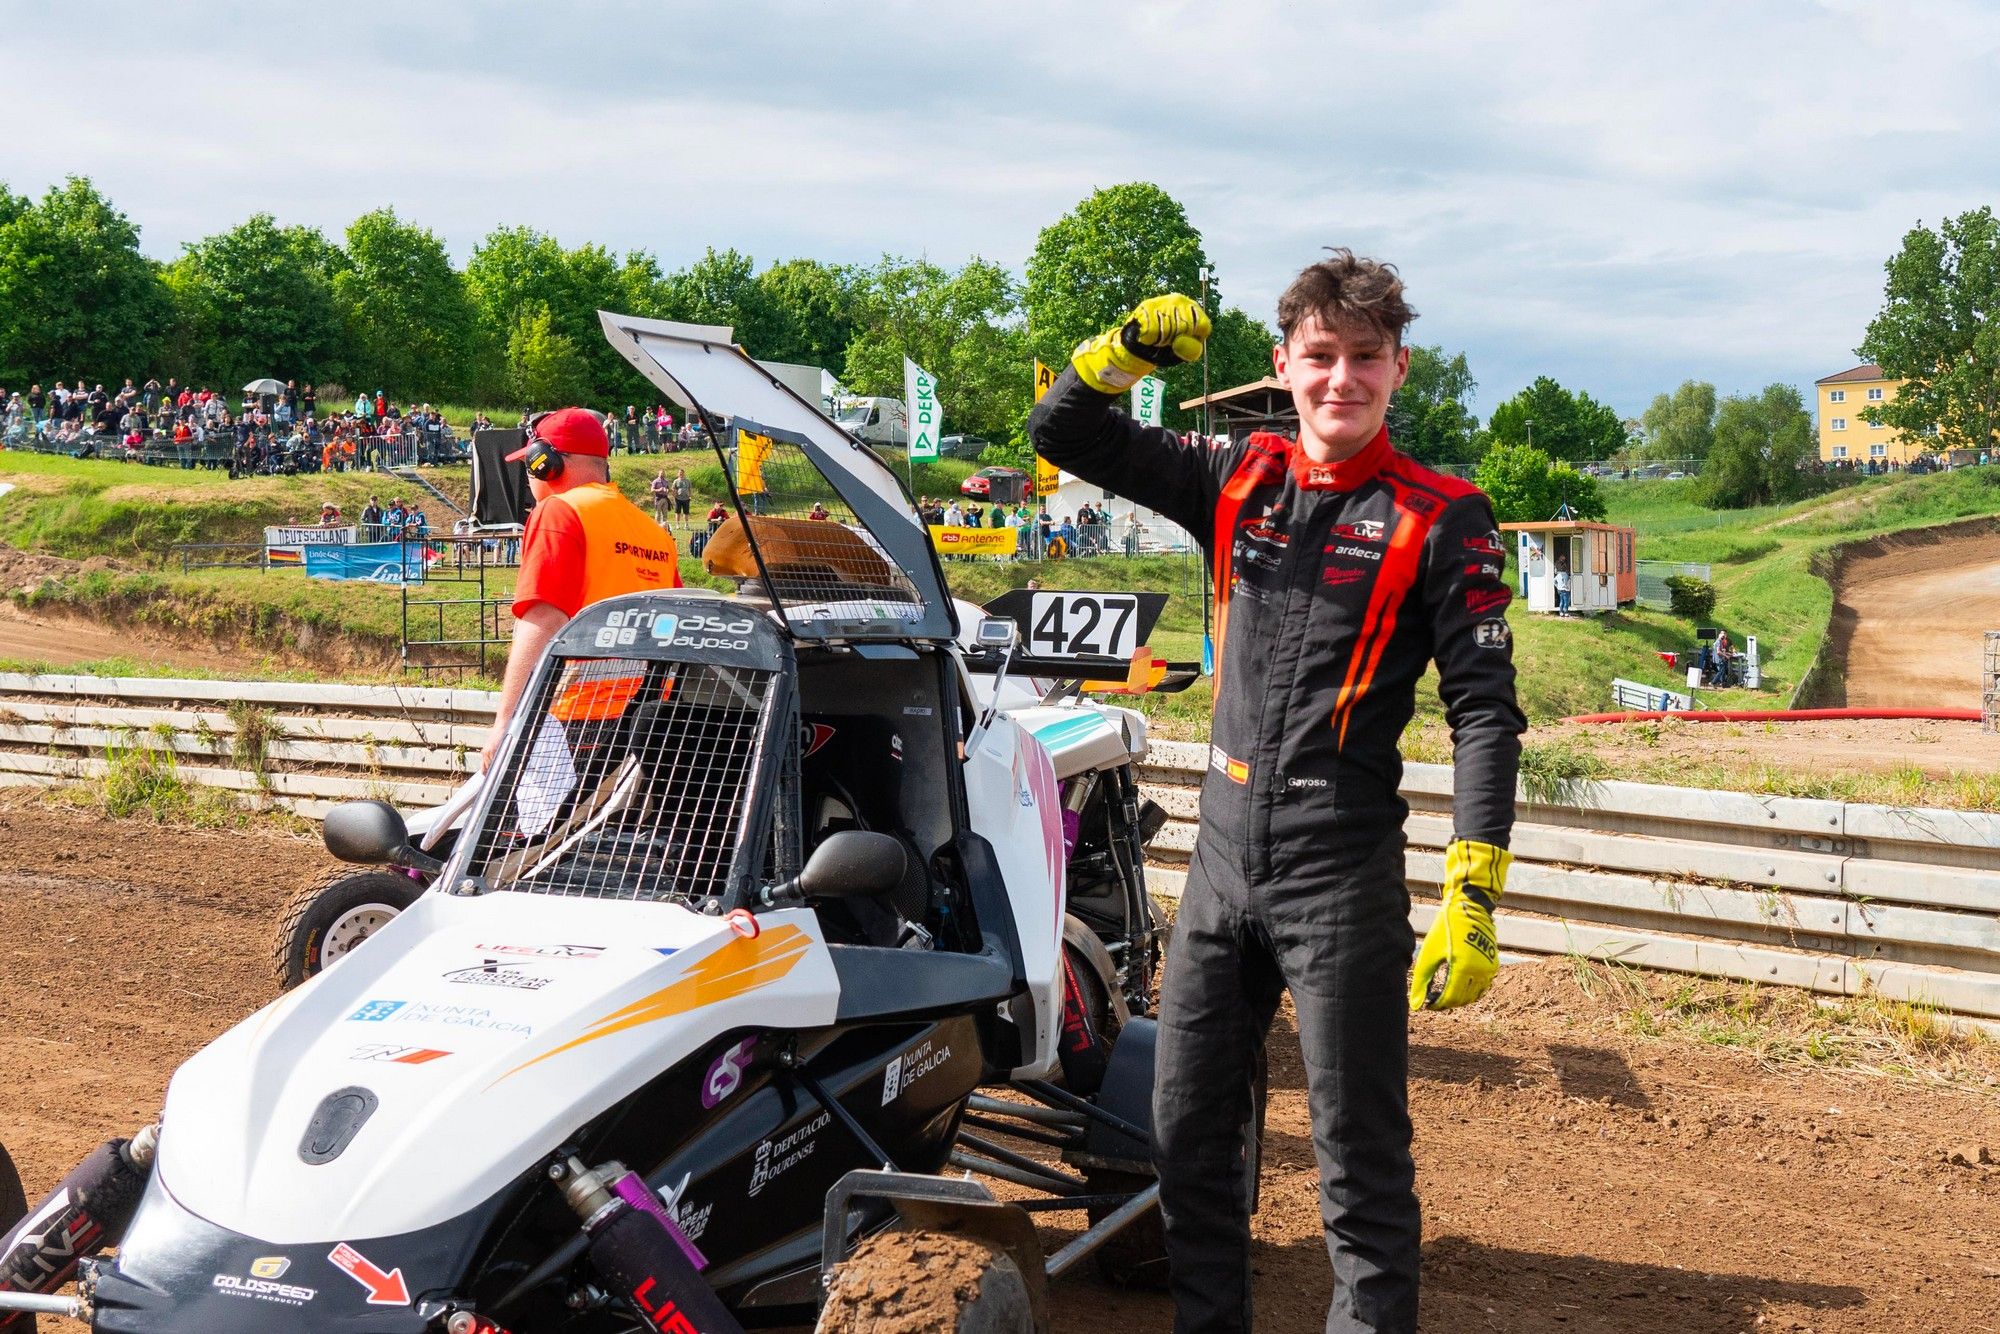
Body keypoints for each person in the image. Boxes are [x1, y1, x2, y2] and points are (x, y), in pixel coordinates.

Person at [1028, 253, 1524, 1334]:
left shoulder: (1443, 514)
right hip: (1218, 862)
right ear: (1283, 363)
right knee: (1183, 1141)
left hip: (1338, 870)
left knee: (1357, 1163)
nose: (1341, 378)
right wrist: (1119, 356)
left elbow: (1485, 713)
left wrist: (1475, 887)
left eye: (1364, 357)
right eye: (1320, 355)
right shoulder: (1236, 474)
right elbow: (1063, 434)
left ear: (1398, 367)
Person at [479, 409, 684, 772]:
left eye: (529, 466)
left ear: (547, 463)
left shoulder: (558, 512)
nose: (528, 478)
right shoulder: (654, 533)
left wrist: (506, 721)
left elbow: (543, 617)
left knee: (521, 812)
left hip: (570, 717)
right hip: (643, 721)